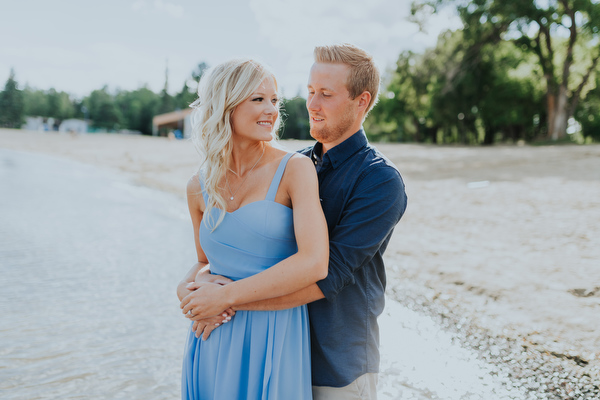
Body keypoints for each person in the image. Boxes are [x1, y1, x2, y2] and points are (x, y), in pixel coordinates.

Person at [187, 43, 407, 400]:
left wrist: (223, 301)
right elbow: (215, 258)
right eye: (309, 92)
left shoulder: (379, 180)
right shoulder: (293, 164)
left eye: (326, 94)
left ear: (361, 101)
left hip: (336, 364)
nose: (312, 104)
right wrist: (194, 292)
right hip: (260, 345)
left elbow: (326, 275)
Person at [176, 58, 329, 400]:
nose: (272, 110)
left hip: (273, 334)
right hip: (211, 335)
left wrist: (224, 296)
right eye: (258, 99)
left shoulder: (296, 169)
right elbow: (204, 262)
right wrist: (186, 288)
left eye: (275, 100)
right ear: (225, 105)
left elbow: (314, 263)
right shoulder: (197, 187)